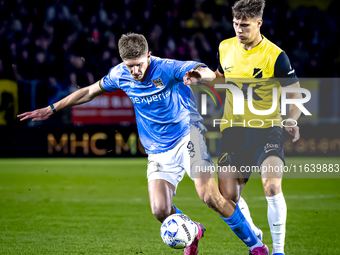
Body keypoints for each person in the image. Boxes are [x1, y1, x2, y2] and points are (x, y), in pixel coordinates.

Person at [18, 33, 269, 255]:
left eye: (138, 65)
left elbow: (202, 70)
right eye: (129, 67)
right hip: (158, 150)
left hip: (188, 137)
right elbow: (89, 91)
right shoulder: (119, 74)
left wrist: (199, 76)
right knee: (160, 210)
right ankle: (193, 230)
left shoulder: (167, 68)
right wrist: (52, 108)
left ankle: (256, 246)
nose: (135, 72)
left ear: (148, 56)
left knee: (209, 197)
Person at [189, 1, 301, 255]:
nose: (239, 29)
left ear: (259, 23)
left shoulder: (276, 56)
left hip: (268, 129)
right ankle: (254, 231)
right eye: (236, 24)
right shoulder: (225, 47)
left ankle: (279, 251)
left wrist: (291, 119)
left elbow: (294, 95)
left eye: (245, 25)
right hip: (233, 130)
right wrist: (202, 80)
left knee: (271, 185)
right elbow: (220, 79)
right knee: (228, 196)